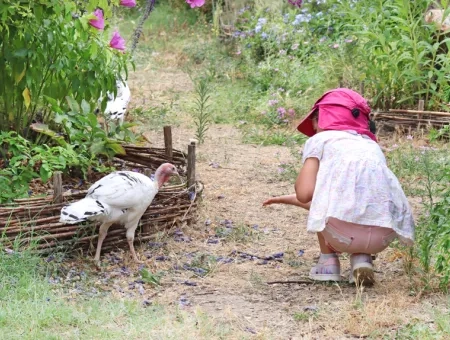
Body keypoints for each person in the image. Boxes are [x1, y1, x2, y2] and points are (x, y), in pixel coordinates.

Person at [263, 88, 415, 285]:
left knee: (337, 206)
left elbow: (305, 194)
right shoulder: (371, 145)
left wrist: (310, 161)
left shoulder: (320, 140)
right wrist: (283, 199)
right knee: (364, 203)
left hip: (343, 235)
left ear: (320, 119)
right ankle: (362, 259)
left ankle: (328, 263)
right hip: (385, 234)